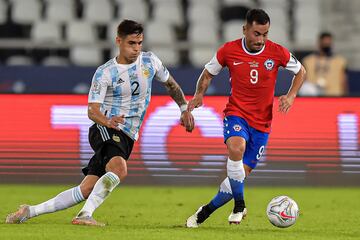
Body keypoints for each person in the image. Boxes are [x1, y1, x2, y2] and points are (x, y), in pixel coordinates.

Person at [6, 19, 194, 227]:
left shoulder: (150, 62)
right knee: (119, 169)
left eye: (140, 43)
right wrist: (107, 121)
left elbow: (171, 85)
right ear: (118, 41)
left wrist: (184, 108)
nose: (137, 48)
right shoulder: (106, 72)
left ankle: (29, 211)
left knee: (86, 189)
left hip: (128, 134)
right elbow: (91, 110)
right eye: (132, 43)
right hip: (105, 128)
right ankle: (84, 215)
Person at [185, 9, 306, 228]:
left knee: (239, 176)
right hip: (237, 113)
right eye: (257, 34)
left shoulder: (276, 52)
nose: (261, 40)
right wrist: (199, 94)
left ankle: (205, 211)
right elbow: (207, 73)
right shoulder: (229, 50)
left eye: (265, 34)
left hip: (263, 124)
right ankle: (240, 205)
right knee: (236, 148)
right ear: (245, 29)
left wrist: (291, 95)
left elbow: (301, 71)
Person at [301, 32, 347, 96]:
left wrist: (345, 96)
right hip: (314, 97)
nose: (326, 45)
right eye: (324, 43)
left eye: (328, 43)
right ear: (319, 43)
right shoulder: (308, 60)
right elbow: (303, 80)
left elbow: (343, 81)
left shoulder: (339, 61)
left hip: (334, 95)